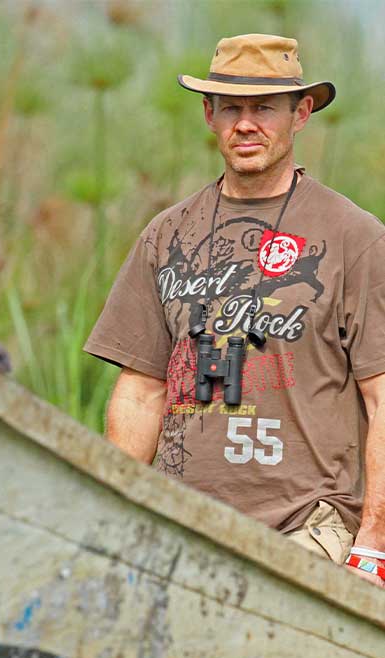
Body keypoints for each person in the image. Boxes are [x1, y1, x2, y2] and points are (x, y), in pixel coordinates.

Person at [84, 34, 385, 588]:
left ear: (301, 113)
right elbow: (141, 389)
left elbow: (381, 394)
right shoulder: (167, 234)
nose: (246, 124)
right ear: (209, 114)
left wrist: (373, 545)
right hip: (182, 521)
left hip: (306, 528)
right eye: (231, 108)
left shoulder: (353, 237)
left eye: (264, 107)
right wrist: (114, 513)